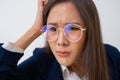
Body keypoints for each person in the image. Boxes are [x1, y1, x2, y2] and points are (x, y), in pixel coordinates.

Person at [0, 0, 120, 80]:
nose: (61, 41)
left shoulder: (111, 57)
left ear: (90, 30)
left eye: (72, 28)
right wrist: (35, 30)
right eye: (53, 28)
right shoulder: (43, 61)